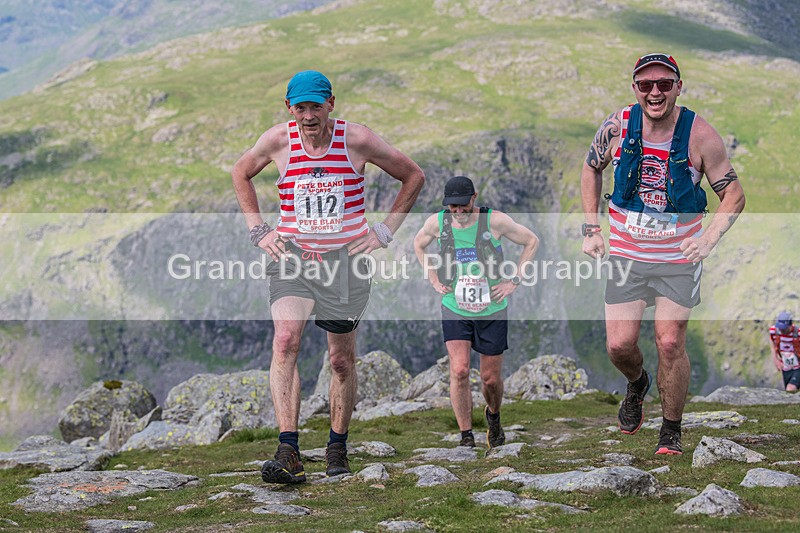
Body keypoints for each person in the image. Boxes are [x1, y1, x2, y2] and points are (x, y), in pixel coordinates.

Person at [232, 70, 425, 483]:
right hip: (293, 257)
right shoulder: (277, 140)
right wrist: (258, 230)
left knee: (340, 360)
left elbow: (413, 175)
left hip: (345, 261)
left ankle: (337, 447)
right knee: (285, 340)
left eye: (315, 107)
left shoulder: (357, 139)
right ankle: (288, 450)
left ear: (330, 104)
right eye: (300, 108)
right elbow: (240, 172)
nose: (308, 116)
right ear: (289, 108)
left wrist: (385, 231)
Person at [580, 53, 746, 455]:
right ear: (635, 88)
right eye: (646, 84)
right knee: (619, 346)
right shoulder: (617, 127)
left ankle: (670, 432)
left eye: (664, 84)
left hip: (678, 258)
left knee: (670, 342)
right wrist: (591, 228)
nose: (655, 92)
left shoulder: (700, 136)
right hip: (627, 254)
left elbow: (734, 195)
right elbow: (591, 168)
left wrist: (708, 240)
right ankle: (638, 383)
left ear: (678, 87)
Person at [413, 176, 539, 448]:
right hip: (455, 306)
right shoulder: (438, 223)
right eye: (453, 207)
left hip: (492, 309)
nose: (458, 211)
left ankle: (493, 415)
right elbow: (418, 245)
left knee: (489, 379)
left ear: (474, 198)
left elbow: (531, 241)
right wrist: (433, 278)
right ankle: (466, 436)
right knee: (459, 370)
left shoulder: (494, 221)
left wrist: (514, 281)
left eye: (463, 205)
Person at [769, 311, 800, 392]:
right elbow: (772, 342)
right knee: (790, 392)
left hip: (798, 367)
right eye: (780, 327)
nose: (781, 330)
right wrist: (775, 359)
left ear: (790, 325)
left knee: (790, 388)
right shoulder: (774, 331)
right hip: (786, 367)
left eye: (784, 328)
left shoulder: (798, 333)